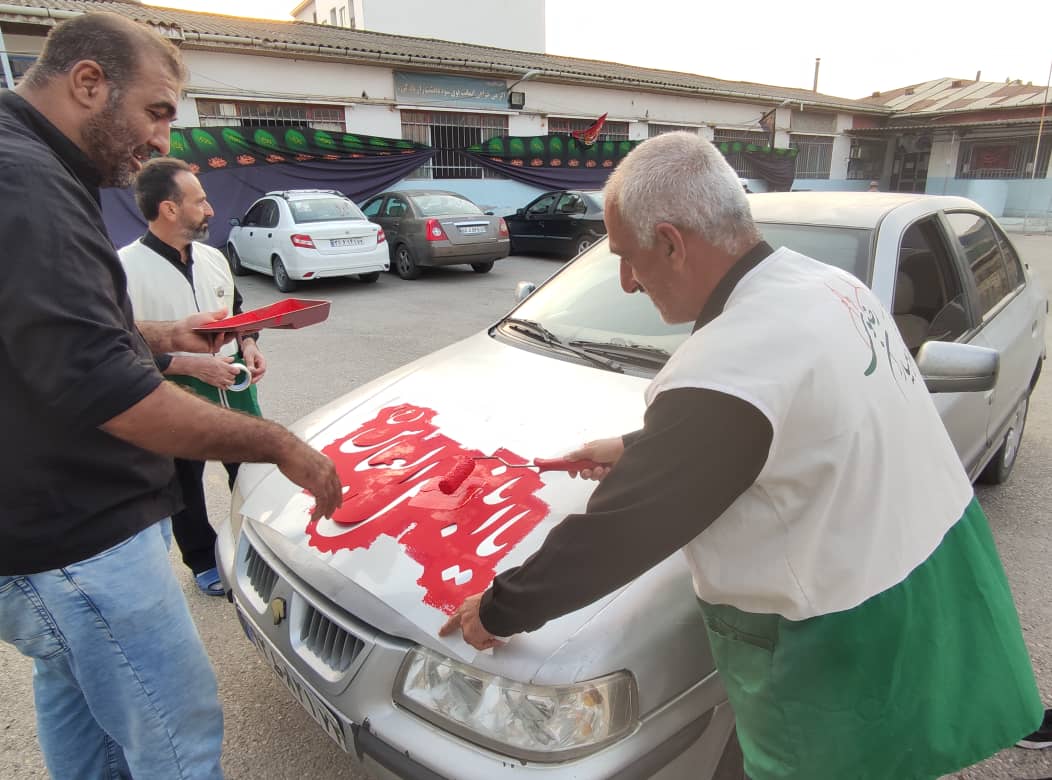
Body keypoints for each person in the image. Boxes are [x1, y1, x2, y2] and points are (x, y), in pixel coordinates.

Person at [440, 132, 1042, 779]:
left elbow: (615, 535)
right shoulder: (829, 288)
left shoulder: (726, 362)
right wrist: (639, 448)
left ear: (671, 242)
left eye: (627, 257)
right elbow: (802, 420)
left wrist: (499, 608)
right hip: (934, 571)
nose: (627, 281)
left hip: (840, 636)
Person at [0, 12, 342, 779]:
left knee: (82, 716)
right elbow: (108, 389)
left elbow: (47, 329)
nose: (163, 140)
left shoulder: (28, 166)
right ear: (89, 83)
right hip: (76, 543)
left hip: (42, 541)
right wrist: (279, 444)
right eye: (157, 112)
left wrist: (163, 335)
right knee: (178, 740)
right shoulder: (25, 182)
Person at [120, 157, 265, 597]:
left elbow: (238, 311)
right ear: (169, 209)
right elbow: (118, 344)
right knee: (183, 482)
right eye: (200, 201)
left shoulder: (213, 256)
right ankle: (202, 559)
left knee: (252, 470)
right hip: (171, 388)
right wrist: (187, 363)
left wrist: (250, 344)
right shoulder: (122, 268)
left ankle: (256, 549)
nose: (211, 210)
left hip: (233, 383)